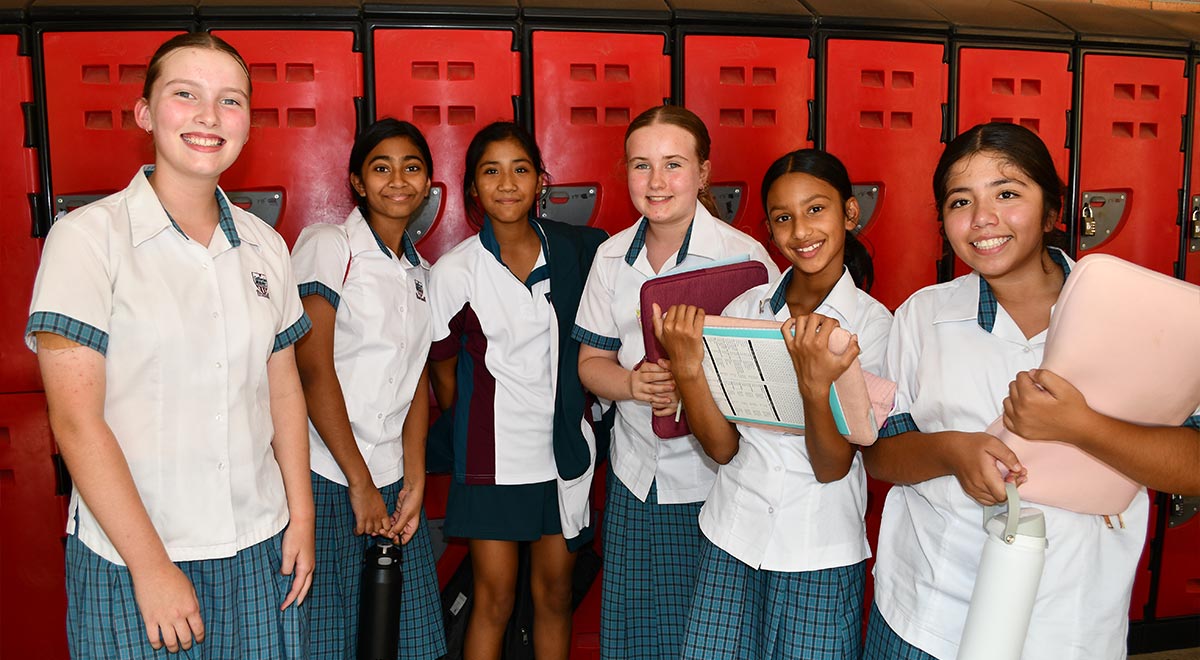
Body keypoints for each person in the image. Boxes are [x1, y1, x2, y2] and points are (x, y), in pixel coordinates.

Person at [860, 122, 1200, 659]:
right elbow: (880, 454)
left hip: (1070, 623)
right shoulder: (921, 317)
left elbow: (1193, 464)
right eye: (959, 201)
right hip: (930, 613)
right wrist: (952, 451)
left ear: (1052, 211)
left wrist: (1082, 428)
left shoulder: (1139, 315)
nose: (982, 220)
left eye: (1008, 193)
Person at [26, 33, 314, 658]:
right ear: (146, 113)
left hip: (260, 543)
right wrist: (152, 568)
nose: (210, 116)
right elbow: (76, 421)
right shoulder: (86, 240)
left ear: (247, 125)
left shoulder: (267, 246)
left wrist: (303, 513)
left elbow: (283, 384)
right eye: (185, 95)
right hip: (134, 553)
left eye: (230, 101)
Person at [653, 148, 890, 659]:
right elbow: (721, 448)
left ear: (850, 212)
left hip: (817, 549)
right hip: (732, 536)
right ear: (769, 229)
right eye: (783, 218)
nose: (801, 231)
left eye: (816, 209)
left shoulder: (873, 327)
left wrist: (813, 383)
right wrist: (690, 368)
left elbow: (832, 467)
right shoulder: (747, 309)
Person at [572, 105, 779, 660]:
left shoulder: (747, 260)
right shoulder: (611, 257)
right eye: (641, 166)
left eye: (673, 164)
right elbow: (591, 363)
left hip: (720, 484)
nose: (656, 182)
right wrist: (631, 386)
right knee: (635, 639)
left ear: (704, 173)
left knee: (711, 640)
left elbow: (770, 382)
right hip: (637, 480)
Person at [426, 121, 607, 660]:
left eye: (520, 169)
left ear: (540, 182)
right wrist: (478, 425)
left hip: (563, 457)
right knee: (495, 600)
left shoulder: (580, 252)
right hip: (492, 463)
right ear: (473, 189)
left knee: (553, 596)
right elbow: (443, 373)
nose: (507, 183)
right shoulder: (456, 270)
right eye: (491, 171)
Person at [290, 118, 446, 660]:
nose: (398, 179)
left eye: (413, 167)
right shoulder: (330, 246)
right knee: (330, 639)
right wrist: (359, 482)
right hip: (329, 475)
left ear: (429, 182)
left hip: (392, 482)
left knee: (412, 639)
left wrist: (416, 477)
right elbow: (312, 367)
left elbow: (416, 377)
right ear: (357, 181)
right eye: (381, 167)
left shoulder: (421, 272)